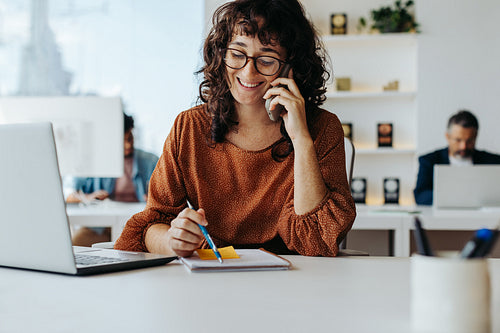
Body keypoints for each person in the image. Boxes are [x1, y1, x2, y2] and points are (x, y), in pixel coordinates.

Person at [114, 0, 356, 257]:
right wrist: (173, 241)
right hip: (211, 275)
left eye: (266, 59)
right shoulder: (190, 127)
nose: (248, 71)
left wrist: (301, 139)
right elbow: (152, 224)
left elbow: (317, 241)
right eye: (238, 54)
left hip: (293, 280)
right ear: (222, 55)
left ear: (290, 66)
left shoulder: (323, 128)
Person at [68, 113, 159, 246]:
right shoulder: (95, 161)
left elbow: (167, 195)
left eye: (130, 137)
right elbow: (69, 195)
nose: (128, 145)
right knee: (74, 248)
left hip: (140, 226)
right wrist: (88, 197)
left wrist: (155, 198)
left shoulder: (150, 161)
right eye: (122, 141)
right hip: (101, 227)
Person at [413, 110, 500, 205]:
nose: (463, 146)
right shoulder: (429, 161)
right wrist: (457, 198)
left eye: (469, 141)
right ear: (447, 136)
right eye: (458, 140)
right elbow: (420, 195)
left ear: (476, 136)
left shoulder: (494, 162)